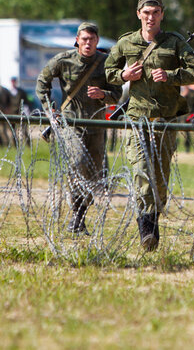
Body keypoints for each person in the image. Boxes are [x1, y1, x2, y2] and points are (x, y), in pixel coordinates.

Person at [105, 0, 194, 251]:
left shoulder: (175, 43)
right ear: (138, 14)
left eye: (155, 12)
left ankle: (152, 223)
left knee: (160, 179)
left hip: (166, 120)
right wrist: (124, 75)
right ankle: (147, 231)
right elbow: (108, 72)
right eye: (146, 12)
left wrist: (170, 76)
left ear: (161, 15)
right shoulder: (127, 42)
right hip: (137, 119)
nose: (150, 16)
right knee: (142, 171)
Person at [36, 22, 122, 234]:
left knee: (93, 175)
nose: (88, 43)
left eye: (92, 40)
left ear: (97, 41)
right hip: (70, 124)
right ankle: (76, 212)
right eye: (84, 39)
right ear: (77, 40)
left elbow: (117, 93)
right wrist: (50, 110)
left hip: (96, 124)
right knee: (78, 161)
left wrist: (103, 95)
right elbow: (42, 82)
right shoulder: (64, 60)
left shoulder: (105, 62)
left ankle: (79, 216)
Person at [0, 75, 12, 146]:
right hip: (5, 111)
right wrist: (7, 109)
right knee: (4, 129)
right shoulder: (5, 89)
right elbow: (10, 100)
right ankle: (7, 143)